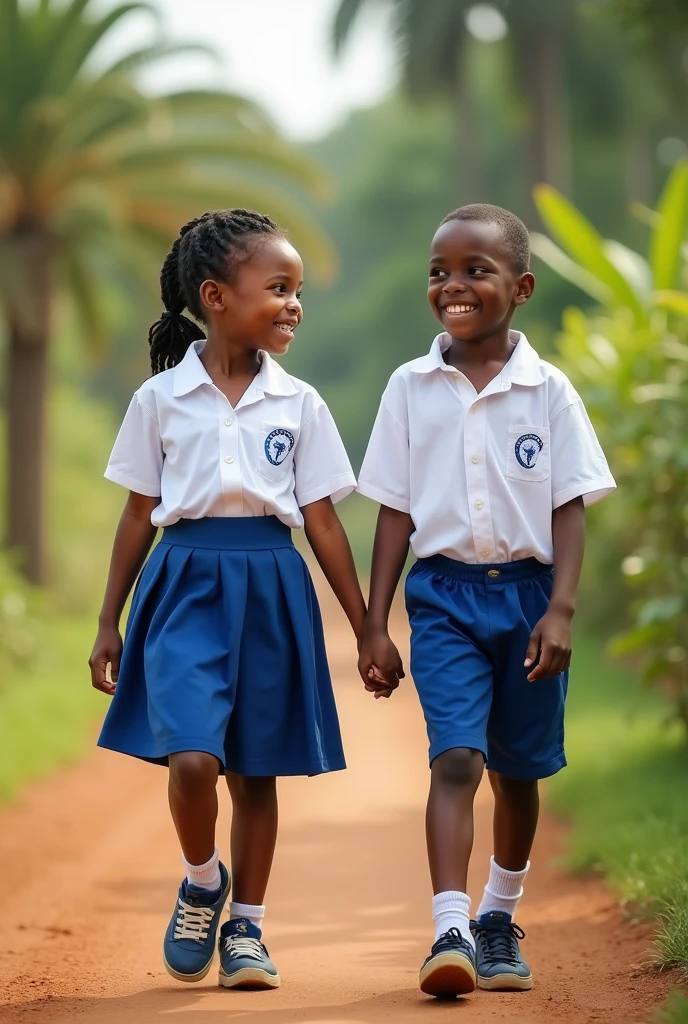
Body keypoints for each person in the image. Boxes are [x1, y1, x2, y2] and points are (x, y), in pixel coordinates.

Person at [89, 209, 385, 991]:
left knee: (255, 772)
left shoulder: (300, 403)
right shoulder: (160, 399)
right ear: (216, 296)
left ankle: (246, 929)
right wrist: (108, 620)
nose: (294, 305)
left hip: (271, 583)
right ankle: (203, 880)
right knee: (192, 759)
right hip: (183, 582)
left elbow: (323, 522)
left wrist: (367, 628)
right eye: (278, 288)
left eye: (298, 290)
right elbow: (137, 514)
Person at [356, 204, 616, 998]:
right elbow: (394, 511)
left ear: (522, 288)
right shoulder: (409, 387)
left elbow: (569, 506)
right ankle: (450, 928)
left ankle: (499, 916)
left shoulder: (549, 390)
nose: (454, 285)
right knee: (458, 758)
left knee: (518, 770)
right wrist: (374, 623)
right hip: (443, 598)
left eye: (476, 270)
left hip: (531, 598)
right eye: (439, 272)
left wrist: (561, 608)